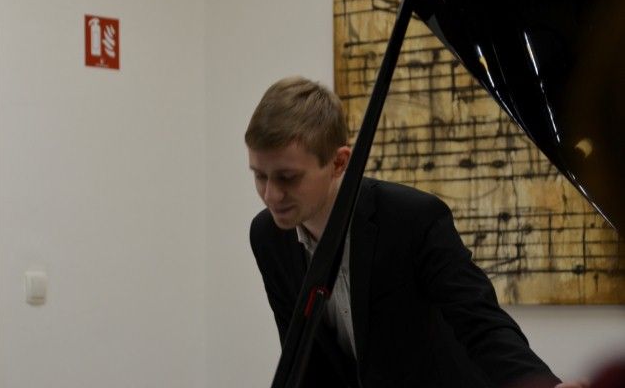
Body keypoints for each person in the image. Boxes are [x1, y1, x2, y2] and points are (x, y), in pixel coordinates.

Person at [245, 76, 587, 388]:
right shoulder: (267, 236)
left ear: (338, 163)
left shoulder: (412, 218)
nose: (271, 195)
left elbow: (480, 321)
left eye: (287, 178)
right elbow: (302, 355)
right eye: (259, 175)